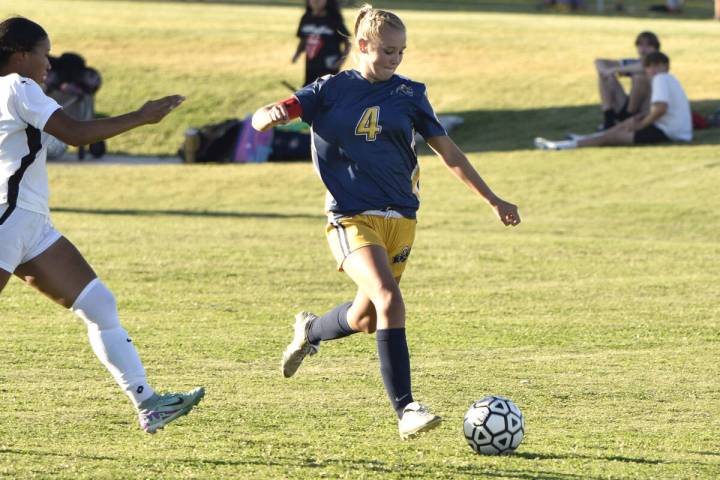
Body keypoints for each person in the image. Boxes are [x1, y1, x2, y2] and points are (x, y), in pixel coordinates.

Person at [253, 4, 521, 440]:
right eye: (387, 51)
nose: (395, 60)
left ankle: (310, 330)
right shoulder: (329, 89)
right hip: (350, 217)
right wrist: (268, 116)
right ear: (362, 46)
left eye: (401, 52)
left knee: (366, 318)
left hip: (402, 219)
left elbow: (447, 152)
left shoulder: (410, 94)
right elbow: (272, 110)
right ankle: (406, 409)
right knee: (388, 298)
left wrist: (492, 198)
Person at [0, 17, 204, 433]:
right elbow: (74, 134)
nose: (49, 64)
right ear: (21, 55)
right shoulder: (19, 88)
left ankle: (149, 404)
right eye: (44, 53)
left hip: (30, 224)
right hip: (9, 218)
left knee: (99, 305)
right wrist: (142, 117)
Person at [535, 52, 691, 150]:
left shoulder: (660, 79)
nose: (653, 69)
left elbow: (661, 108)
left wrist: (642, 124)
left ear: (665, 66)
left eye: (657, 65)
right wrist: (641, 117)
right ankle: (584, 139)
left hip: (669, 132)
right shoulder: (670, 79)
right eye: (649, 66)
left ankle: (564, 146)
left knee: (612, 137)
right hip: (672, 129)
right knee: (624, 125)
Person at [594, 31, 660, 130]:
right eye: (640, 45)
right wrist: (606, 72)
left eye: (648, 45)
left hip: (647, 107)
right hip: (630, 104)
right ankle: (609, 118)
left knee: (639, 78)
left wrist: (615, 69)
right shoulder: (633, 62)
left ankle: (627, 117)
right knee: (606, 77)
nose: (643, 49)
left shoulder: (660, 62)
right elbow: (599, 61)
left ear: (656, 48)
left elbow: (645, 67)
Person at [292, 0, 352, 86]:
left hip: (329, 67)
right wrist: (297, 54)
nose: (315, 1)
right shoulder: (306, 18)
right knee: (310, 90)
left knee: (326, 91)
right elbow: (303, 39)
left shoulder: (334, 19)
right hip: (311, 66)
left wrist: (341, 61)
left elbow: (347, 42)